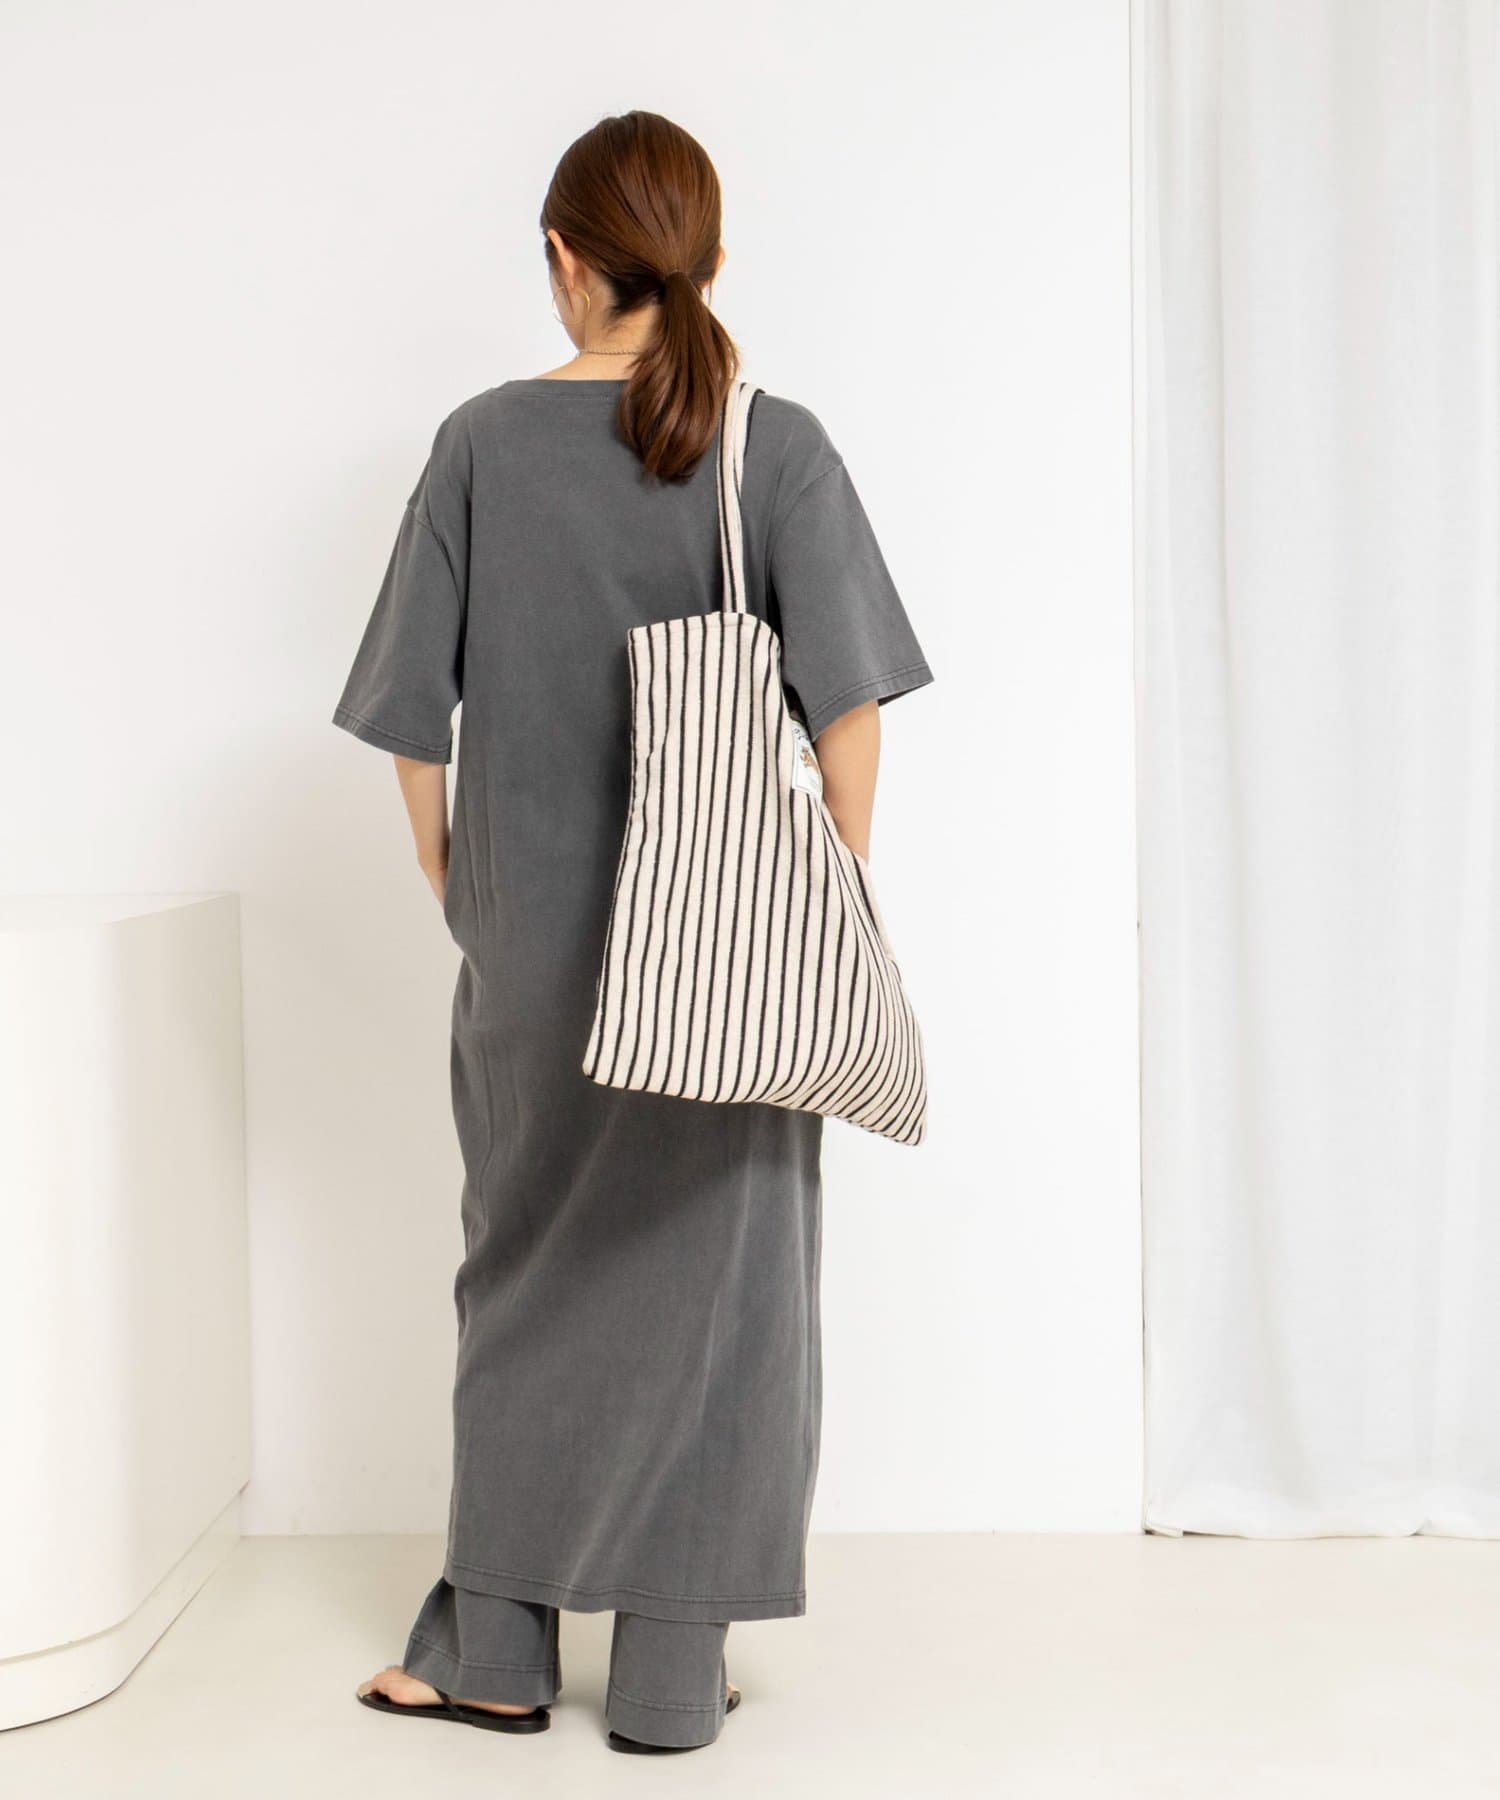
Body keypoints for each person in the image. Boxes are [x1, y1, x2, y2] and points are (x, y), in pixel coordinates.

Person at [337, 110, 932, 1754]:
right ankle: (670, 1673)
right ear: (711, 262)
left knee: (523, 1273)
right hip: (732, 964)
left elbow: (411, 718)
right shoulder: (773, 445)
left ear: (563, 258)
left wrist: (457, 877)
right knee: (726, 1294)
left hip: (534, 948)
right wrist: (822, 893)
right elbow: (852, 712)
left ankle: (497, 1652)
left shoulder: (479, 443)